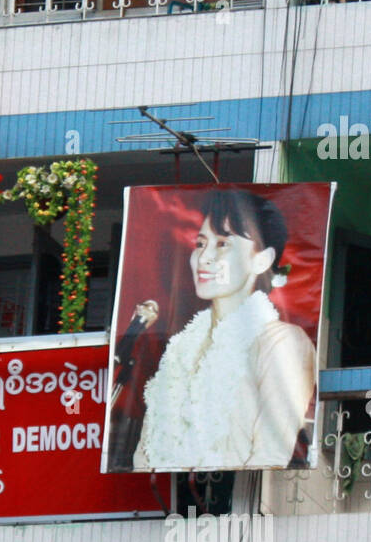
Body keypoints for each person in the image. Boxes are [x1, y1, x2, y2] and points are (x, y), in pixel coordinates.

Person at [132, 189, 317, 472]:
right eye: (200, 243)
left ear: (262, 259)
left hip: (238, 505)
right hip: (168, 503)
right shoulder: (180, 348)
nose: (204, 258)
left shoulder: (281, 343)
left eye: (222, 244)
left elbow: (271, 453)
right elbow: (143, 453)